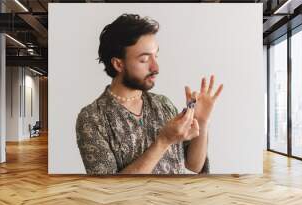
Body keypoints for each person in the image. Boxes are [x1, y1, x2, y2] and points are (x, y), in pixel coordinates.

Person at [75, 13, 223, 174]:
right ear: (118, 64)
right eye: (144, 60)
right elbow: (107, 188)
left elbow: (194, 165)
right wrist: (163, 141)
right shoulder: (92, 119)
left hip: (178, 199)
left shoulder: (163, 104)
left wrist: (202, 121)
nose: (156, 67)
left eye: (156, 56)